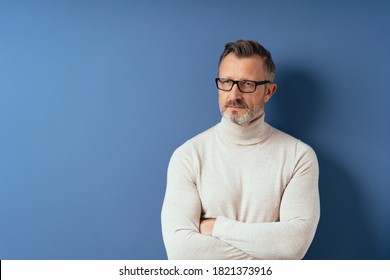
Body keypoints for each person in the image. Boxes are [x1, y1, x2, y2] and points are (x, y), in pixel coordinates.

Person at [161, 39, 320, 260]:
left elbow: (293, 247)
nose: (234, 94)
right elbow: (181, 252)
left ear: (269, 92)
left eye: (247, 84)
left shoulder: (298, 157)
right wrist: (270, 254)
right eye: (226, 81)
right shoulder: (188, 156)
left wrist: (217, 227)